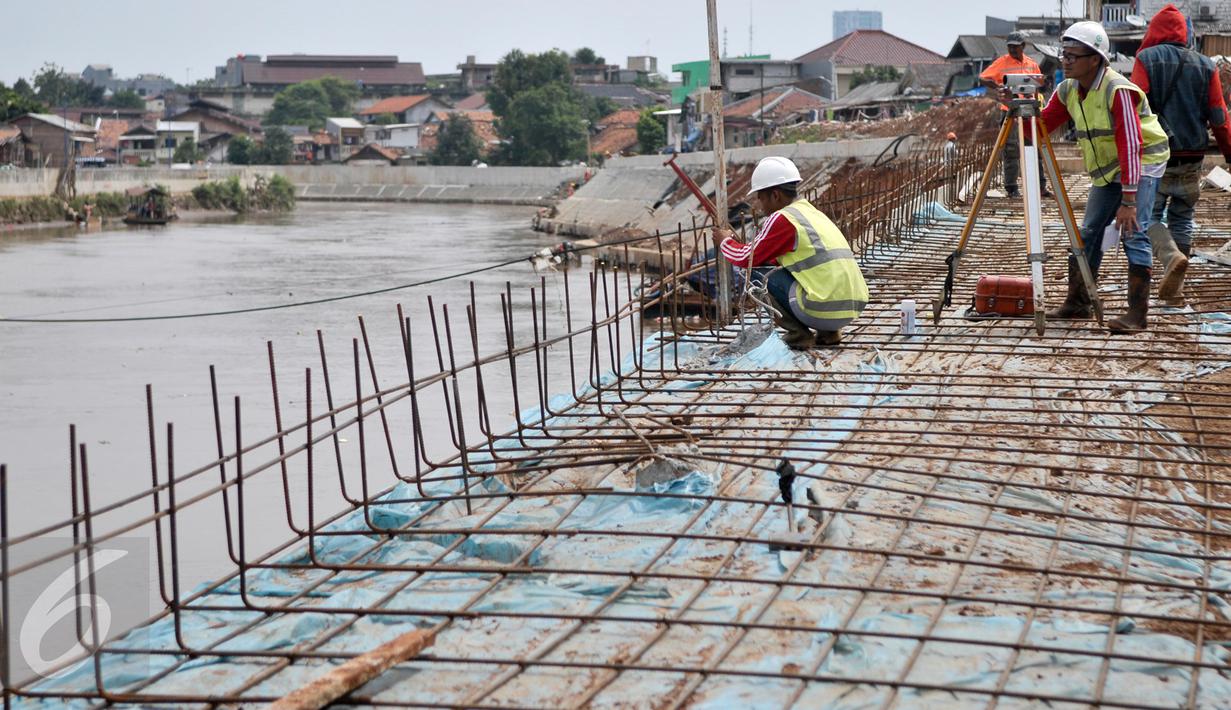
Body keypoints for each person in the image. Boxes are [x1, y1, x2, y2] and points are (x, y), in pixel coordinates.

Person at [1040, 21, 1171, 333]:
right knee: (1087, 232)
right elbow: (1042, 125)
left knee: (1133, 232)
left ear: (1094, 59)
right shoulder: (1069, 89)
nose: (1066, 61)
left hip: (1142, 162)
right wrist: (1018, 113)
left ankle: (1137, 315)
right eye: (1064, 54)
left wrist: (1129, 200)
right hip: (1109, 169)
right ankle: (1078, 302)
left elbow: (1131, 144)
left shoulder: (1117, 90)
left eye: (1073, 56)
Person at [1131, 3, 1231, 302]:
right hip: (1193, 156)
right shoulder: (1206, 65)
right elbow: (1219, 115)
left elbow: (1133, 107)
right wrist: (1229, 151)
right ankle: (1176, 288)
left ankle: (1170, 256)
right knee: (1183, 218)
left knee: (1146, 218)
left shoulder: (1146, 59)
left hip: (1156, 156)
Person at [714, 156, 868, 349]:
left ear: (775, 195)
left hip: (822, 309)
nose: (760, 205)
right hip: (851, 307)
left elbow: (747, 259)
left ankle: (798, 335)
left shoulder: (783, 218)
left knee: (753, 271)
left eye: (761, 198)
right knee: (784, 269)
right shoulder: (811, 212)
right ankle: (829, 333)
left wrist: (725, 241)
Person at [980, 31, 1051, 198]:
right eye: (1010, 46)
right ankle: (1011, 188)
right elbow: (982, 78)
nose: (1012, 49)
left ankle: (1040, 186)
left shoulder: (1031, 64)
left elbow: (1039, 83)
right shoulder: (1002, 62)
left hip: (1029, 111)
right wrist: (997, 86)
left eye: (1015, 47)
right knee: (1011, 149)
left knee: (1034, 148)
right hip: (1009, 110)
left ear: (1023, 46)